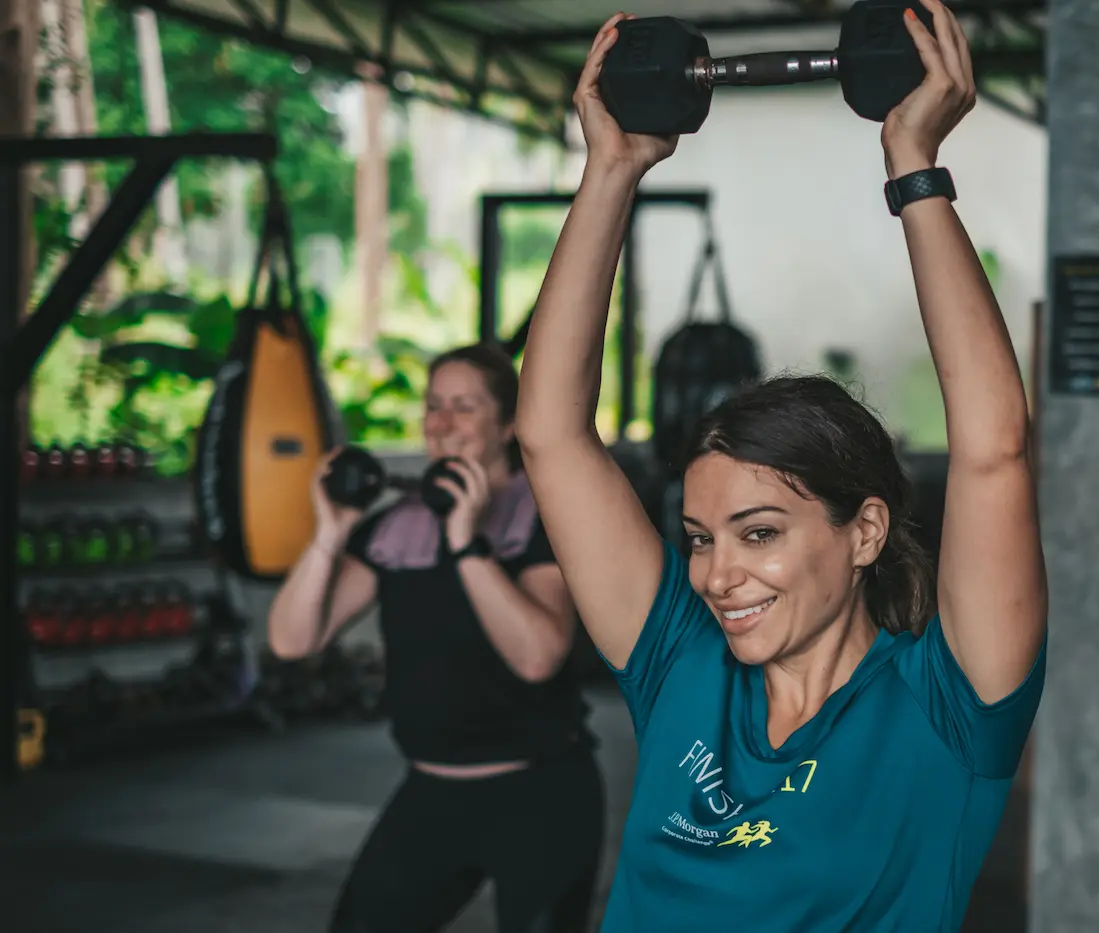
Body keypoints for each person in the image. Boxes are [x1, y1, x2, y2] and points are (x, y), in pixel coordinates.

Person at [515, 3, 1047, 931]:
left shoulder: (947, 710)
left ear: (865, 530)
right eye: (699, 538)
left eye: (758, 533)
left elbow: (994, 449)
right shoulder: (681, 665)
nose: (718, 575)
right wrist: (611, 171)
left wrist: (914, 164)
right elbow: (551, 436)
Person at [266, 343, 604, 933]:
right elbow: (293, 641)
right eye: (433, 405)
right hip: (431, 794)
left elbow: (538, 657)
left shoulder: (544, 517)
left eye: (464, 407)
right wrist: (330, 533)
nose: (442, 423)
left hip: (540, 795)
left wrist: (465, 542)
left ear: (507, 425)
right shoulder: (394, 527)